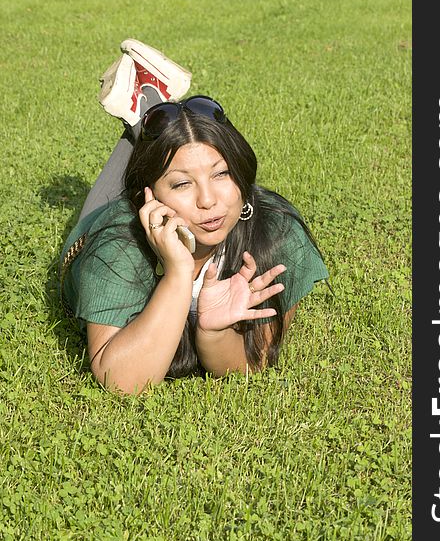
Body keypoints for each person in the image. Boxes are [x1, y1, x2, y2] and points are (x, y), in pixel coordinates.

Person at [60, 40, 329, 395]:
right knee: (145, 160)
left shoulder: (276, 231)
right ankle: (144, 115)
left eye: (221, 175)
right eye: (183, 184)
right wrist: (178, 274)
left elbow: (253, 362)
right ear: (151, 197)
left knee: (170, 146)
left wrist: (213, 332)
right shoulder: (118, 240)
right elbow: (120, 381)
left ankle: (151, 106)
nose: (208, 201)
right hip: (102, 227)